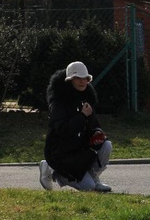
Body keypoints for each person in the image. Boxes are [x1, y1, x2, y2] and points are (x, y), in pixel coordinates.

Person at [39, 61, 112, 192]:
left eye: (85, 78)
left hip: (81, 151)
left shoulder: (86, 99)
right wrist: (82, 116)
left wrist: (97, 132)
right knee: (88, 187)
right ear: (70, 80)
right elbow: (63, 130)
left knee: (106, 145)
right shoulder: (58, 103)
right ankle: (52, 169)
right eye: (77, 78)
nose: (82, 81)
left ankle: (94, 176)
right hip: (62, 155)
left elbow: (94, 125)